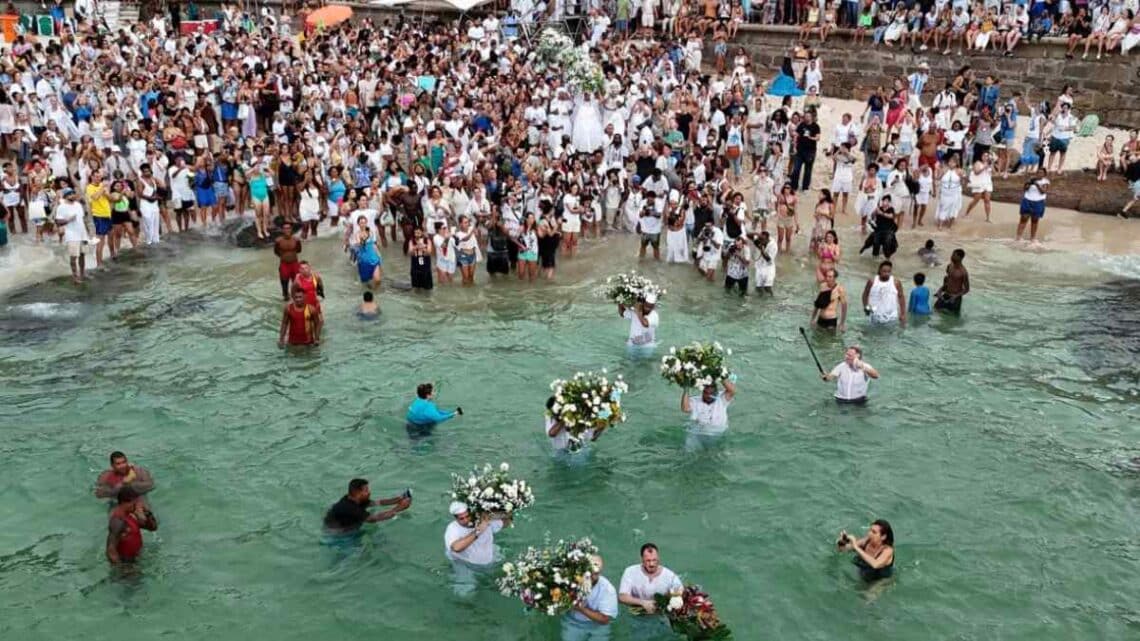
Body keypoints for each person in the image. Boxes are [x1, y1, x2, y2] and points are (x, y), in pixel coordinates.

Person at [444, 501, 511, 595]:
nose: (466, 520)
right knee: (465, 594)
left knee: (504, 585)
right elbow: (456, 548)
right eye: (461, 518)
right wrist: (478, 530)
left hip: (489, 560)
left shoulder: (483, 520)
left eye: (467, 516)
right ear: (456, 518)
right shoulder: (452, 528)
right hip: (465, 565)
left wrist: (494, 514)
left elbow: (507, 522)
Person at [618, 543, 683, 625]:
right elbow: (622, 597)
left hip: (660, 617)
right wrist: (643, 603)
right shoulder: (630, 572)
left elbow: (680, 591)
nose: (651, 564)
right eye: (648, 561)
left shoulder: (670, 576)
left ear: (658, 559)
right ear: (642, 560)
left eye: (654, 560)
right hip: (637, 616)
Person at [323, 478, 412, 535]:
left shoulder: (354, 499)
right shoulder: (351, 508)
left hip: (345, 523)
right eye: (366, 490)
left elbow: (378, 503)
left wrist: (399, 499)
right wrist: (400, 508)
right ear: (357, 493)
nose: (369, 492)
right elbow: (374, 519)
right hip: (339, 534)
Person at [561, 554, 619, 641]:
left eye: (595, 573)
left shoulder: (608, 589)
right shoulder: (571, 581)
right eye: (588, 571)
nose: (591, 576)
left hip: (598, 626)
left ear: (600, 572)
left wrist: (581, 608)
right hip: (573, 622)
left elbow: (605, 619)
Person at [106, 487, 158, 564]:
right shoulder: (118, 521)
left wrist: (147, 512)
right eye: (136, 502)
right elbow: (110, 551)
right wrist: (123, 569)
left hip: (135, 560)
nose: (138, 504)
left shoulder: (131, 516)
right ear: (127, 502)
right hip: (126, 565)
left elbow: (153, 527)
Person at [54, 188, 89, 283]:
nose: (73, 195)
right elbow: (58, 221)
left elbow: (82, 220)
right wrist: (68, 220)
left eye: (73, 193)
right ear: (66, 196)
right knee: (74, 256)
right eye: (70, 194)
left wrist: (86, 234)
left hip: (82, 234)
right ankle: (75, 276)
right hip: (71, 235)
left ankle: (82, 273)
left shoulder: (78, 205)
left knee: (82, 255)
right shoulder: (62, 207)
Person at [861, 261, 906, 327]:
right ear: (879, 271)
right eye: (884, 271)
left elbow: (901, 297)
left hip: (891, 316)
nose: (886, 273)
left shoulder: (896, 282)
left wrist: (903, 314)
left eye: (889, 271)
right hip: (875, 315)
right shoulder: (872, 282)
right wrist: (866, 308)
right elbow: (865, 295)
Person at [1016, 168, 1049, 244]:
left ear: (1044, 174)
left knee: (1035, 220)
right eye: (1038, 172)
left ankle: (1032, 238)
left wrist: (1037, 184)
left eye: (1041, 173)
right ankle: (1018, 237)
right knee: (1023, 219)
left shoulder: (1046, 182)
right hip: (1027, 200)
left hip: (1038, 202)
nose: (1039, 174)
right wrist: (1029, 183)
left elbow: (1043, 192)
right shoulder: (1031, 180)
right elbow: (1025, 189)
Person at [934, 248, 970, 313]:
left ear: (960, 257)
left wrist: (955, 296)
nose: (951, 256)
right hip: (946, 294)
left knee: (953, 318)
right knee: (935, 310)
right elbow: (947, 282)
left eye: (954, 255)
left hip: (955, 298)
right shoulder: (950, 266)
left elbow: (967, 289)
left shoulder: (963, 272)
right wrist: (939, 291)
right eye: (952, 254)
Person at [274, 221, 302, 301]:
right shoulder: (278, 241)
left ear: (291, 229)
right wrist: (284, 256)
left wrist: (291, 256)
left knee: (297, 284)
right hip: (284, 264)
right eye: (285, 228)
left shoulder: (296, 240)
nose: (287, 230)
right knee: (284, 283)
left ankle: (296, 299)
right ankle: (286, 296)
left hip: (294, 264)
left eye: (288, 228)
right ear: (282, 230)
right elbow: (276, 252)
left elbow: (299, 250)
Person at [751, 230, 777, 295]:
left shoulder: (773, 245)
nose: (761, 241)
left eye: (762, 240)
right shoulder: (759, 240)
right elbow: (748, 235)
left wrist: (762, 250)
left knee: (767, 287)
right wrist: (756, 233)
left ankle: (771, 298)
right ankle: (760, 301)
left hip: (769, 268)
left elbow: (768, 259)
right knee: (758, 288)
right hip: (759, 267)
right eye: (760, 239)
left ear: (767, 239)